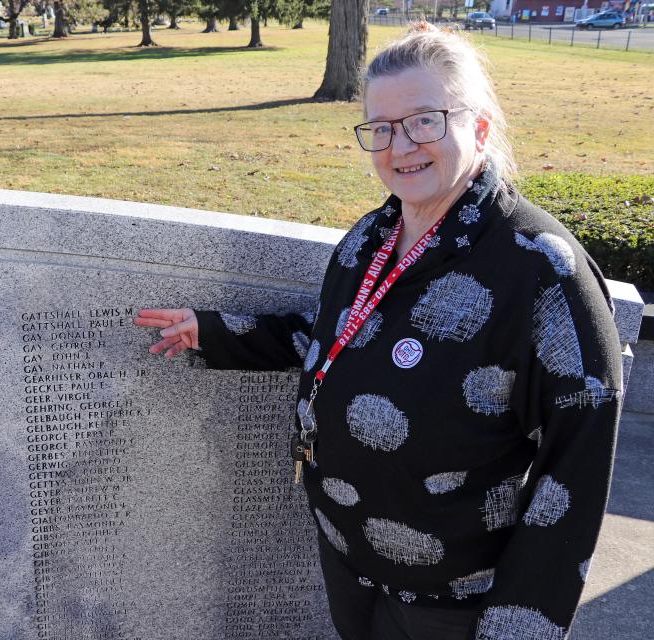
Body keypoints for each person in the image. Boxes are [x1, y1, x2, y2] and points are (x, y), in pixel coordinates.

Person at [134, 22, 622, 640]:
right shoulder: (372, 235)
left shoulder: (542, 269)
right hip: (349, 561)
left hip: (454, 601)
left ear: (479, 128)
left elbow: (574, 467)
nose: (400, 146)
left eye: (425, 119)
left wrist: (519, 626)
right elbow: (336, 334)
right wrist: (215, 332)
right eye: (382, 128)